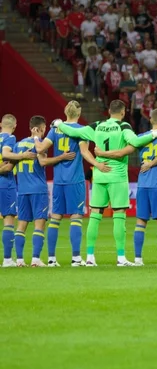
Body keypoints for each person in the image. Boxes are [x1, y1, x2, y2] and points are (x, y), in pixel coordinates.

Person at [55, 100, 157, 266]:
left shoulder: (97, 125)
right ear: (123, 112)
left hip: (99, 175)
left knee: (95, 215)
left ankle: (90, 257)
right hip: (117, 176)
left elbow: (74, 132)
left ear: (108, 111)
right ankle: (121, 257)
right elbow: (136, 142)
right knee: (119, 215)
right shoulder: (123, 126)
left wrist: (58, 124)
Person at [95, 109, 157, 266]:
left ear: (150, 121)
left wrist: (102, 153)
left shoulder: (140, 138)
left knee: (141, 222)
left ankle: (138, 259)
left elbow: (122, 152)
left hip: (142, 184)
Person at [35, 101, 107, 266]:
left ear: (65, 112)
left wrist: (36, 137)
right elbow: (84, 152)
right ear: (79, 113)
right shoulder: (81, 130)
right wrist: (97, 164)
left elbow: (40, 149)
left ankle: (51, 259)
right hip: (75, 180)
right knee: (76, 217)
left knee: (55, 218)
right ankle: (76, 258)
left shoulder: (55, 130)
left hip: (59, 180)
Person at [13, 116, 76, 267]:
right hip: (38, 189)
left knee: (21, 225)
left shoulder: (17, 145)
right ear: (41, 129)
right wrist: (62, 157)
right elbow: (43, 162)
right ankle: (35, 259)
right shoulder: (40, 144)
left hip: (22, 190)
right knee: (39, 225)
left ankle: (19, 260)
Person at [1, 114, 37, 267]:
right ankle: (8, 259)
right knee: (8, 221)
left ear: (1, 124)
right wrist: (22, 155)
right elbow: (7, 161)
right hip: (5, 184)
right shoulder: (10, 138)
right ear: (15, 126)